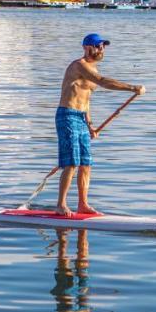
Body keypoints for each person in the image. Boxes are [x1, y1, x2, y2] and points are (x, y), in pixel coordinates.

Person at [54, 33, 144, 216]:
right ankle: (61, 204)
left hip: (80, 117)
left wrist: (90, 126)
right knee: (71, 162)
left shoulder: (91, 70)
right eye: (98, 46)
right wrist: (132, 88)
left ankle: (83, 204)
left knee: (86, 163)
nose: (101, 49)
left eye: (103, 46)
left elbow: (86, 101)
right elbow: (103, 82)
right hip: (67, 115)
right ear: (87, 48)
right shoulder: (78, 65)